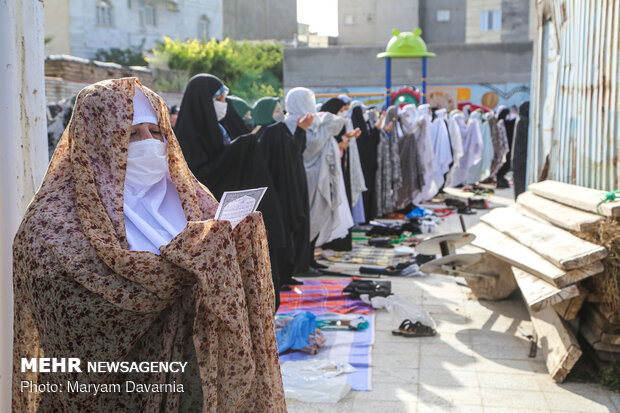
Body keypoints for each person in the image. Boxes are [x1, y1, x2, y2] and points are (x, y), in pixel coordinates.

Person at [12, 78, 286, 412]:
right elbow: (66, 322)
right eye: (131, 134)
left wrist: (233, 245)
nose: (149, 143)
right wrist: (176, 272)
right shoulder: (53, 222)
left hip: (190, 385)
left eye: (156, 132)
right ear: (96, 139)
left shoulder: (194, 201)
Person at [173, 74, 287, 309]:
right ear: (204, 101)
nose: (224, 103)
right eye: (219, 98)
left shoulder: (221, 128)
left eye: (224, 97)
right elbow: (200, 174)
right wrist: (238, 151)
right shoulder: (188, 136)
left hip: (237, 213)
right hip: (209, 223)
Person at [285, 88, 352, 265]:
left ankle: (309, 259)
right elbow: (311, 146)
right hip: (305, 177)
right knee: (306, 219)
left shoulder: (312, 122)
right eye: (308, 100)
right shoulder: (292, 122)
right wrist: (324, 129)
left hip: (317, 175)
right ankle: (301, 262)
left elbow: (333, 125)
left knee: (316, 217)